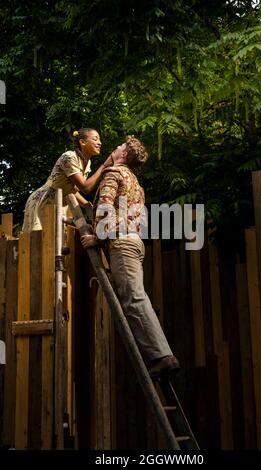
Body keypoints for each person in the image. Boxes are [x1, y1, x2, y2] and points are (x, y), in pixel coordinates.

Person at [81, 135, 180, 379]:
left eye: (119, 147)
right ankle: (161, 354)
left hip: (121, 244)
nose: (114, 148)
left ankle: (162, 356)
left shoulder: (113, 174)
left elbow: (105, 206)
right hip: (135, 243)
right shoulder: (136, 183)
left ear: (123, 155)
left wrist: (98, 237)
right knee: (137, 297)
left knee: (134, 299)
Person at [21, 127, 113, 232]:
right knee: (39, 242)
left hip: (61, 204)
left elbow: (71, 190)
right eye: (95, 139)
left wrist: (87, 205)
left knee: (57, 243)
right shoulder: (69, 157)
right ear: (82, 142)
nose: (99, 143)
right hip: (44, 202)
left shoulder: (87, 163)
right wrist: (104, 166)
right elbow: (85, 187)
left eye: (99, 140)